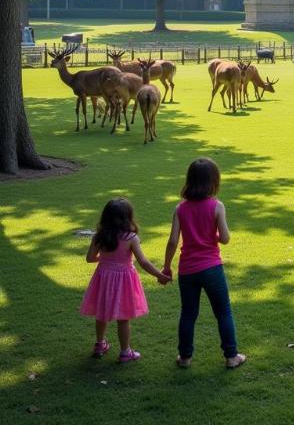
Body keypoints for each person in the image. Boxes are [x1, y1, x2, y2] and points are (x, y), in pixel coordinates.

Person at [163, 158, 246, 369]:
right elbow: (225, 238)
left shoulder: (180, 209)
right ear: (213, 181)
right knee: (223, 312)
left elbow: (173, 240)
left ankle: (185, 358)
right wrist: (213, 234)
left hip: (187, 270)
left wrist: (166, 266)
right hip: (211, 268)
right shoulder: (217, 206)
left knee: (188, 314)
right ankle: (231, 356)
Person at [80, 198, 171, 362]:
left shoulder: (99, 237)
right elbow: (143, 262)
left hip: (103, 278)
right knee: (123, 318)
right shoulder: (131, 238)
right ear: (127, 217)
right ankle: (125, 352)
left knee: (101, 313)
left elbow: (90, 258)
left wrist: (105, 259)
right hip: (124, 280)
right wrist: (159, 275)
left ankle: (100, 344)